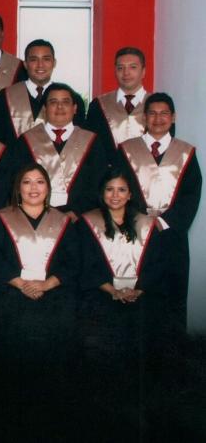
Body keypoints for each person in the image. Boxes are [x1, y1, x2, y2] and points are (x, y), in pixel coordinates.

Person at [0, 163, 80, 440]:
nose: (33, 188)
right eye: (26, 182)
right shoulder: (0, 219)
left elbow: (73, 263)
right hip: (13, 297)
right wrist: (21, 284)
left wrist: (47, 284)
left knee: (51, 370)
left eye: (39, 182)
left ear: (48, 188)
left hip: (53, 300)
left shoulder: (64, 222)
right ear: (18, 188)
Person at [76, 169, 168, 439]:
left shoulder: (148, 225)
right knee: (102, 364)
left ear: (130, 194)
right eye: (109, 189)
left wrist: (138, 289)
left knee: (137, 364)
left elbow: (157, 264)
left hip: (140, 301)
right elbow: (86, 264)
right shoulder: (86, 224)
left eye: (121, 190)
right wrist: (112, 291)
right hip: (100, 300)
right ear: (102, 193)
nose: (115, 195)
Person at [116, 92, 202, 331]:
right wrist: (137, 221)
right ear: (144, 117)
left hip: (172, 236)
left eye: (164, 113)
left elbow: (191, 195)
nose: (158, 119)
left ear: (173, 117)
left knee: (171, 300)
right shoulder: (126, 150)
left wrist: (164, 222)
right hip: (134, 234)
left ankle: (171, 351)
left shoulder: (186, 153)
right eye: (152, 113)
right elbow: (118, 189)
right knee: (136, 294)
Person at [10, 83, 107, 221]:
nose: (60, 107)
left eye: (65, 102)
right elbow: (15, 181)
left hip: (80, 220)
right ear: (45, 109)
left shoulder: (93, 142)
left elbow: (99, 183)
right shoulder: (25, 142)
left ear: (74, 108)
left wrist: (77, 211)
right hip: (34, 218)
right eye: (53, 102)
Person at [0, 39, 85, 146]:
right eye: (34, 60)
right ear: (25, 64)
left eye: (46, 59)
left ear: (54, 63)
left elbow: (78, 142)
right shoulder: (4, 98)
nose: (40, 65)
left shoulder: (73, 99)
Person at [84, 47, 160, 162]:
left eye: (133, 67)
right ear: (115, 71)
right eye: (120, 68)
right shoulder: (98, 105)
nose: (126, 73)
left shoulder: (158, 105)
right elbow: (91, 148)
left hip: (148, 170)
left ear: (143, 71)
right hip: (108, 171)